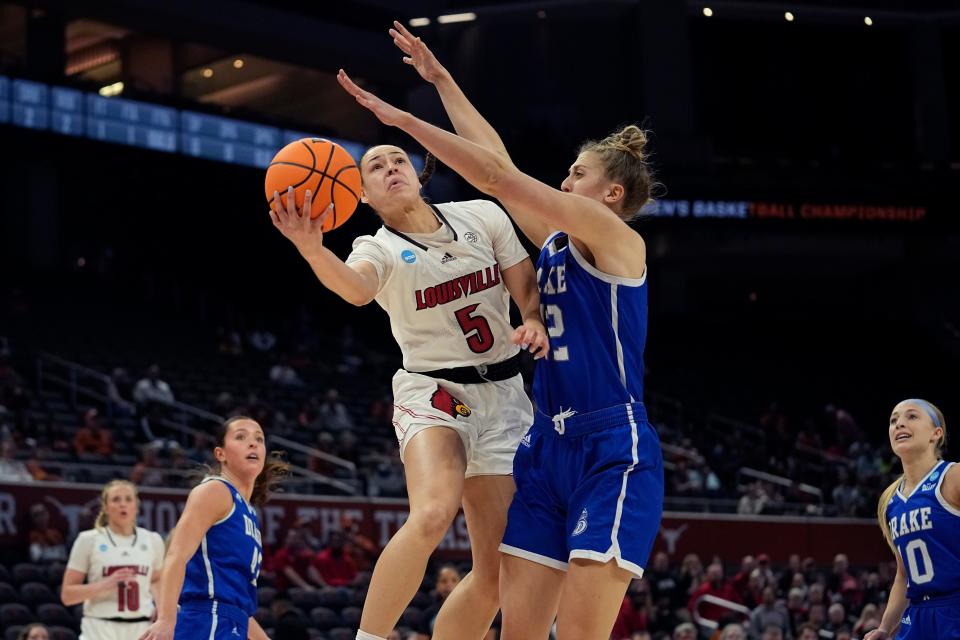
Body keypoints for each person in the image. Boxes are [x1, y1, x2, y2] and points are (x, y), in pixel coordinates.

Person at [338, 20, 661, 639]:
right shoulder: (557, 243)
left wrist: (403, 121)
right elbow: (498, 160)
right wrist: (440, 81)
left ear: (611, 193)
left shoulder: (620, 242)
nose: (563, 184)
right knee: (507, 602)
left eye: (575, 176)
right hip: (545, 446)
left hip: (610, 443)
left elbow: (494, 178)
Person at [269, 85, 547, 640]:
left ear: (419, 174)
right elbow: (352, 289)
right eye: (375, 166)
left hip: (508, 395)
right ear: (363, 195)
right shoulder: (376, 248)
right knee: (431, 514)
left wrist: (534, 319)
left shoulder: (482, 216)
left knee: (495, 575)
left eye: (398, 158)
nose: (391, 166)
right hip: (435, 393)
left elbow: (528, 292)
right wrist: (312, 249)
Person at [138, 416, 289, 640]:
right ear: (221, 454)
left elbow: (238, 607)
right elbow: (176, 556)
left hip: (231, 623)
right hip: (206, 623)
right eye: (241, 437)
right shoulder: (215, 491)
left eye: (259, 439)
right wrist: (166, 619)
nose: (253, 443)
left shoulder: (248, 511)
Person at [865, 399, 960, 639]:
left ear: (936, 433)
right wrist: (885, 628)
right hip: (917, 613)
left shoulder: (953, 476)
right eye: (893, 420)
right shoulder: (889, 500)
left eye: (912, 417)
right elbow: (903, 573)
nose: (899, 424)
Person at [61, 480, 165, 640]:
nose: (123, 504)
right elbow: (67, 595)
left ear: (136, 506)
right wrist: (105, 585)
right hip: (99, 628)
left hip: (142, 628)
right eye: (116, 499)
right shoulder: (88, 540)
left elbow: (156, 580)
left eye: (128, 499)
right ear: (105, 507)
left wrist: (162, 608)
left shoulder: (153, 540)